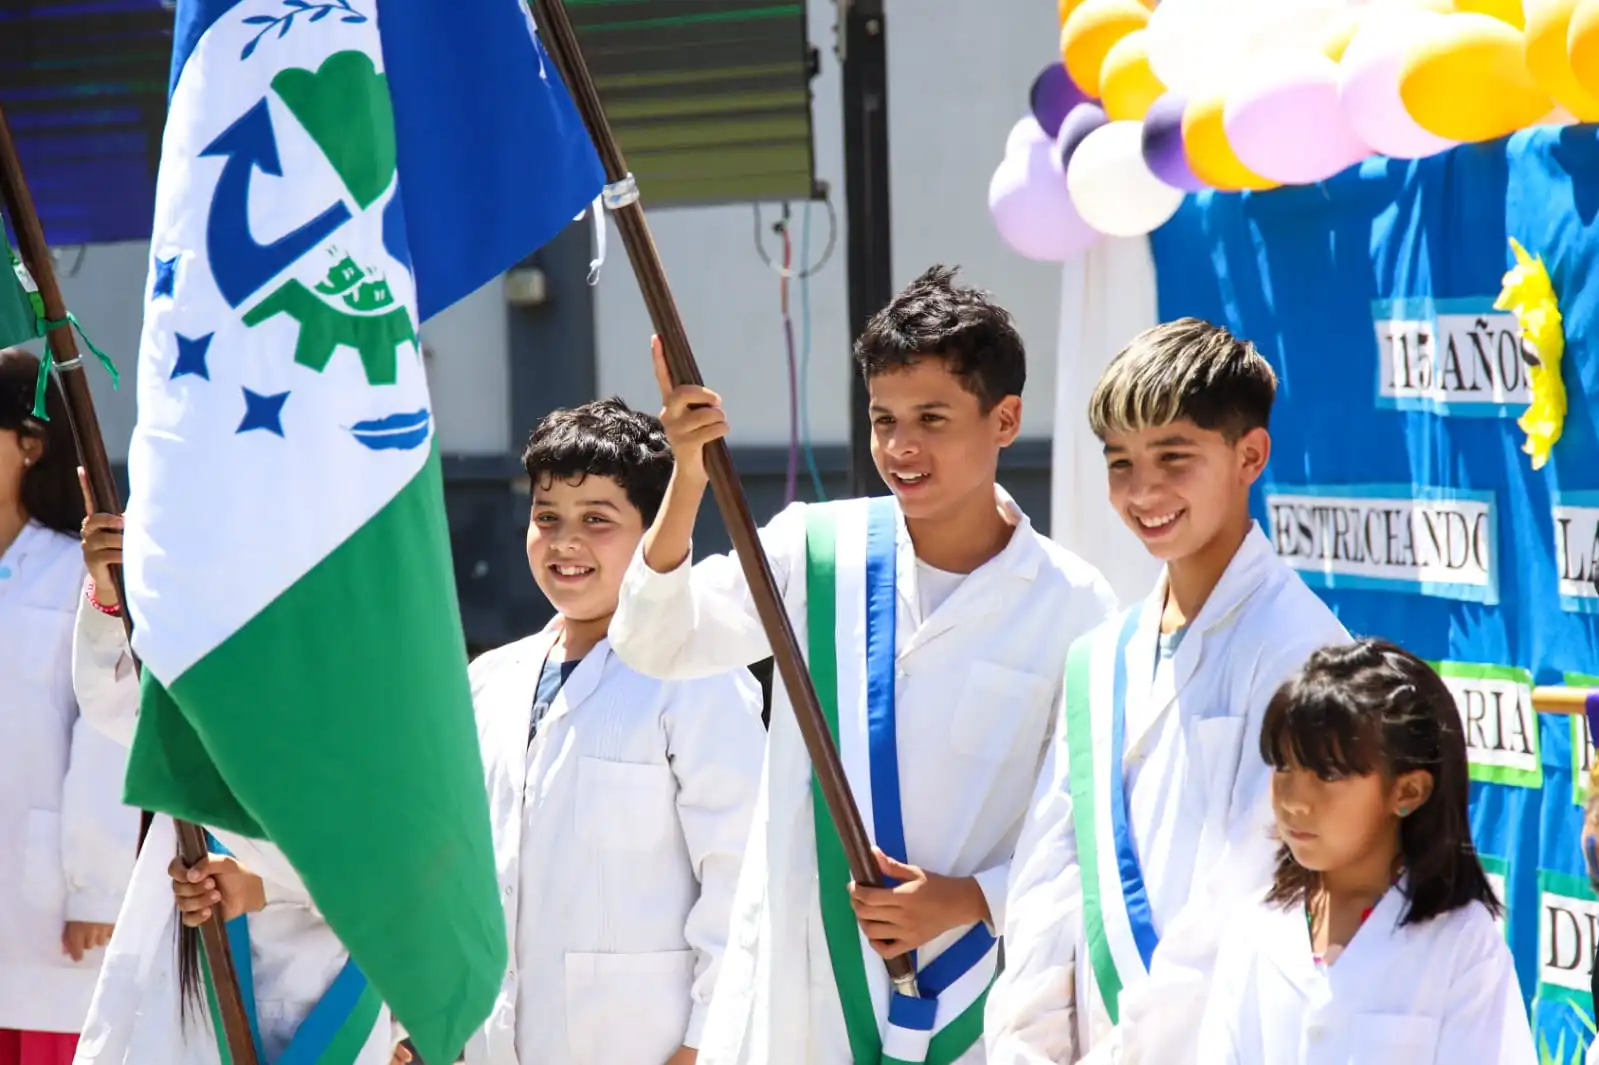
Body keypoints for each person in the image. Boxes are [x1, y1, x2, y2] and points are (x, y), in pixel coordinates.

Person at [609, 266, 1118, 1065]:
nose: (900, 446)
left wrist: (966, 899)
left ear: (1005, 418)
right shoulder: (814, 547)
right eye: (883, 419)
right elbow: (656, 639)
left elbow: (1089, 826)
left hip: (975, 1002)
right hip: (793, 1002)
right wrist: (688, 476)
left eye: (931, 418)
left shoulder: (1074, 602)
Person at [986, 318, 1349, 1064]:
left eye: (1172, 457)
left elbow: (1253, 883)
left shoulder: (1303, 649)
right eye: (1119, 462)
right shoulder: (1098, 658)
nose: (1142, 490)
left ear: (1249, 455)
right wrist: (1028, 1044)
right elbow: (1046, 884)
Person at [461, 398, 764, 1065]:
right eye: (547, 518)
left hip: (649, 1045)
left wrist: (702, 1041)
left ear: (654, 526)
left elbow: (740, 871)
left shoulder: (697, 671)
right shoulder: (490, 679)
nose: (565, 542)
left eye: (597, 520)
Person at [67, 484, 407, 1065]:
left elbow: (398, 864)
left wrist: (260, 884)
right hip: (186, 994)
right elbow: (116, 704)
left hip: (322, 991)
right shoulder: (216, 670)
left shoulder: (375, 680)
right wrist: (107, 593)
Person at [1195, 639, 1535, 1064]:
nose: (1295, 799)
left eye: (1328, 773)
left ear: (1407, 791)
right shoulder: (1255, 927)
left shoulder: (1461, 943)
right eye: (1283, 765)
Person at [0, 348, 137, 1065]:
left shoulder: (74, 571)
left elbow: (107, 725)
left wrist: (96, 885)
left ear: (31, 443)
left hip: (44, 913)